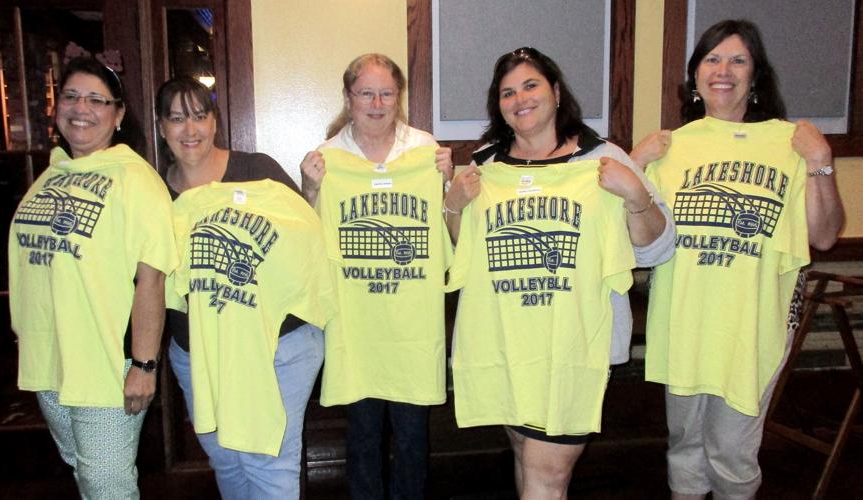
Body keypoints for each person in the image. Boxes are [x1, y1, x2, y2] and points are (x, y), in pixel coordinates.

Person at [443, 47, 675, 499]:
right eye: (507, 92)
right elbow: (462, 250)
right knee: (527, 458)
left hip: (575, 343)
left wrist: (635, 195)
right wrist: (454, 206)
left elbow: (656, 250)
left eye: (530, 85)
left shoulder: (602, 159)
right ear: (499, 105)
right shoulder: (486, 166)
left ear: (555, 91)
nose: (520, 98)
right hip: (508, 341)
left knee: (546, 474)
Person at [632, 19, 844, 499]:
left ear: (756, 76)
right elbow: (618, 230)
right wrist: (635, 162)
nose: (722, 70)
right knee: (684, 445)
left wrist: (820, 161)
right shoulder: (670, 146)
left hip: (753, 320)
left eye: (737, 59)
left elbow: (826, 236)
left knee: (731, 449)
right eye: (711, 58)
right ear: (694, 76)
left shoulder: (789, 143)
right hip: (685, 317)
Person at [8, 57, 177, 498]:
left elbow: (152, 280)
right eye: (71, 96)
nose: (81, 107)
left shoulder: (136, 180)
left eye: (97, 99)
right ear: (57, 106)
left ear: (118, 114)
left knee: (108, 484)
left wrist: (144, 365)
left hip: (107, 362)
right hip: (51, 358)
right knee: (85, 472)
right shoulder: (51, 175)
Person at [156, 76, 325, 499]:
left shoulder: (256, 171)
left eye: (199, 115)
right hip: (198, 353)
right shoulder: (154, 193)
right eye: (177, 119)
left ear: (215, 121)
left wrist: (312, 190)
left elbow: (304, 236)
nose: (190, 129)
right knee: (227, 460)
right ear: (162, 128)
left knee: (268, 462)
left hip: (278, 347)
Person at [299, 53, 453, 500]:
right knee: (362, 435)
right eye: (366, 92)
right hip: (356, 325)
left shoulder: (424, 150)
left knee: (411, 437)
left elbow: (447, 230)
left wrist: (447, 181)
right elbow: (308, 239)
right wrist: (310, 189)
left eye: (387, 92)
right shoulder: (327, 158)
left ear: (398, 96)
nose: (378, 102)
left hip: (411, 325)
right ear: (349, 97)